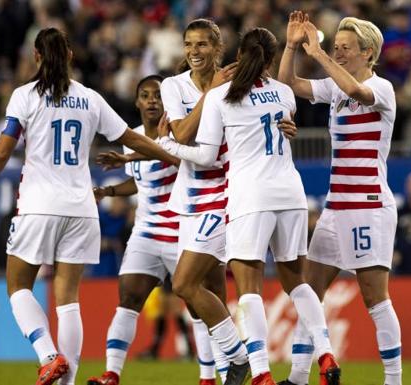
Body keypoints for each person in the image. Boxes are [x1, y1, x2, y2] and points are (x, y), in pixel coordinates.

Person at [0, 28, 175, 385]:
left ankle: (47, 356)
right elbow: (132, 138)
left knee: (17, 287)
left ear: (35, 56)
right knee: (68, 299)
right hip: (82, 209)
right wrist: (175, 156)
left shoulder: (25, 96)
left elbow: (1, 152)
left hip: (39, 206)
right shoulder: (90, 98)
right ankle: (67, 381)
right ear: (71, 56)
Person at [158, 27, 340, 385]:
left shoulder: (222, 96)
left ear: (237, 55)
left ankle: (259, 372)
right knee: (297, 283)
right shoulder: (285, 94)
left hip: (249, 197)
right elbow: (281, 123)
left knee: (248, 289)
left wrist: (169, 144)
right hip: (291, 194)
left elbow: (206, 154)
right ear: (269, 60)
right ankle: (327, 353)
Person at [278, 12, 403, 385]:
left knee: (374, 299)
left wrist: (318, 54)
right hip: (335, 208)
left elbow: (355, 91)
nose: (338, 53)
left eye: (345, 48)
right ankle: (298, 377)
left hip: (369, 206)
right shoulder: (335, 89)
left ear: (368, 53)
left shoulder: (381, 89)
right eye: (335, 47)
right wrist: (291, 46)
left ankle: (393, 380)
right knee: (309, 292)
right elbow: (287, 84)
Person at [158, 19, 248, 385]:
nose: (195, 52)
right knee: (209, 294)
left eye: (202, 45)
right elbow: (182, 132)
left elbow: (179, 135)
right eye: (189, 45)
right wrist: (211, 92)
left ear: (217, 47)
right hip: (190, 199)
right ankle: (226, 373)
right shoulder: (172, 85)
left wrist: (283, 123)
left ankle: (241, 359)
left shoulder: (233, 85)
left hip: (224, 196)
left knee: (183, 284)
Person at [86, 75, 183, 385]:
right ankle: (111, 374)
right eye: (145, 95)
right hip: (146, 231)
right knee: (128, 298)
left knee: (197, 306)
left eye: (157, 94)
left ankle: (210, 377)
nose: (152, 99)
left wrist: (129, 154)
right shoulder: (133, 137)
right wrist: (109, 192)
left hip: (183, 230)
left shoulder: (179, 133)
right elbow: (137, 182)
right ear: (138, 102)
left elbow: (173, 157)